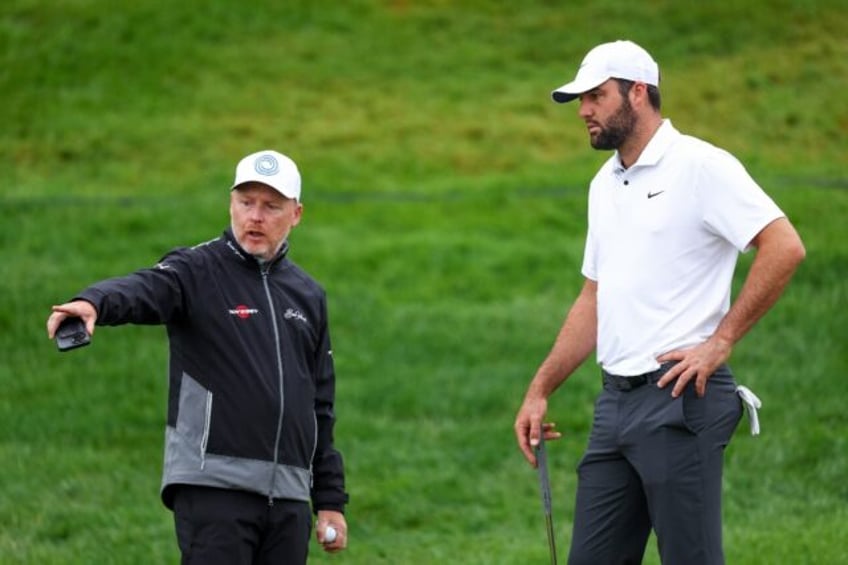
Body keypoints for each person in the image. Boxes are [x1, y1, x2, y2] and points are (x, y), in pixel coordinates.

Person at [513, 40, 805, 565]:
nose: (583, 111)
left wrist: (721, 343)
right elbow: (592, 298)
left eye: (596, 96)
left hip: (680, 399)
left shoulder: (700, 166)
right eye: (581, 100)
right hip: (614, 409)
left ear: (638, 93)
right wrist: (540, 389)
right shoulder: (604, 184)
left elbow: (784, 246)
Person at [46, 150, 349, 564]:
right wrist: (94, 301)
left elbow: (320, 405)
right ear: (231, 204)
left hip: (289, 498)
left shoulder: (308, 295)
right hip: (214, 489)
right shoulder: (196, 270)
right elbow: (146, 288)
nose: (255, 216)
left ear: (296, 214)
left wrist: (329, 499)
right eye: (246, 202)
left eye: (271, 206)